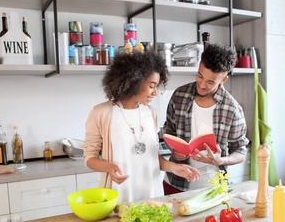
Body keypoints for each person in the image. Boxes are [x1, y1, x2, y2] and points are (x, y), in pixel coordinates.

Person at [83, 52, 200, 203]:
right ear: (134, 82)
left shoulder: (152, 114)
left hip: (153, 193)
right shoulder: (101, 113)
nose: (155, 92)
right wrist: (110, 168)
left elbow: (152, 158)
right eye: (152, 86)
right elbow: (89, 157)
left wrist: (174, 168)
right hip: (121, 194)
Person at [161, 43, 249, 194]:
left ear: (223, 80)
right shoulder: (179, 95)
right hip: (175, 182)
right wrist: (173, 150)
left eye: (210, 82)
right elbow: (169, 132)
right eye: (200, 76)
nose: (202, 85)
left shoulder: (232, 109)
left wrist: (222, 160)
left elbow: (240, 151)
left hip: (213, 187)